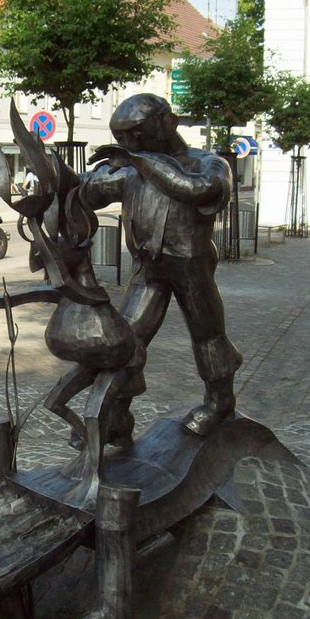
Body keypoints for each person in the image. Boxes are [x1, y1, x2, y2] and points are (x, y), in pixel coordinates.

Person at [79, 93, 242, 439]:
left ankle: (219, 401)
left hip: (190, 268)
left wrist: (139, 161)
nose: (128, 145)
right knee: (126, 339)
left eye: (135, 135)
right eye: (122, 138)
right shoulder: (135, 168)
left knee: (207, 334)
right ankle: (118, 416)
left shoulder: (207, 163)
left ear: (169, 123)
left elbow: (198, 190)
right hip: (148, 269)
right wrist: (63, 183)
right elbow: (94, 188)